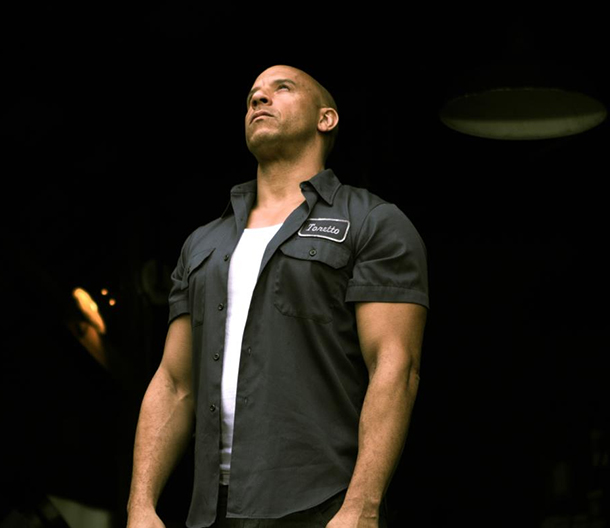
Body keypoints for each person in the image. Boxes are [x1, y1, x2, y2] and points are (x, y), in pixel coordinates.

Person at [126, 64, 429, 528]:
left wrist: (362, 507)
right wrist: (140, 506)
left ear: (326, 118)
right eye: (253, 94)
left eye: (281, 88)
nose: (258, 99)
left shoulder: (372, 222)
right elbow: (173, 381)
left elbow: (395, 366)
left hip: (322, 506)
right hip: (211, 511)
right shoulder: (203, 243)